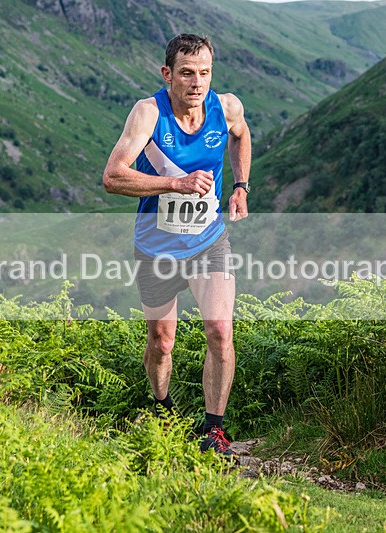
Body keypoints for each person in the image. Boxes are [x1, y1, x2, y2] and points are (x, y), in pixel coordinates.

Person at [102, 33, 251, 459]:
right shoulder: (149, 113)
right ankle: (162, 409)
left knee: (220, 331)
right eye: (186, 73)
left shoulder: (226, 107)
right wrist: (176, 183)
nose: (197, 82)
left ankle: (214, 429)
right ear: (168, 74)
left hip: (208, 242)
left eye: (204, 73)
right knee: (161, 341)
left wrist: (240, 185)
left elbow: (241, 136)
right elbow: (112, 176)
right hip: (157, 248)